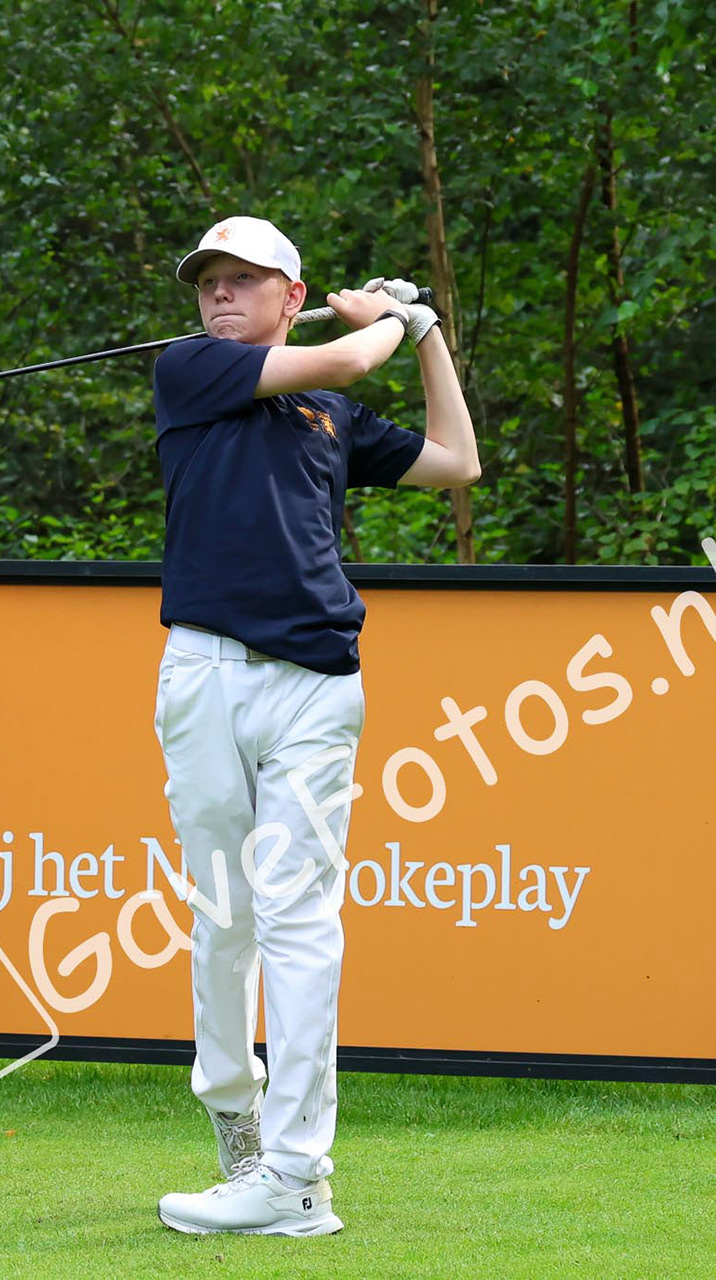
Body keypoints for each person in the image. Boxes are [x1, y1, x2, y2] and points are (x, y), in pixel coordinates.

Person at [149, 216, 478, 1234]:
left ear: (292, 292)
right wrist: (387, 318)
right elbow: (339, 352)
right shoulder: (190, 368)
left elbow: (456, 459)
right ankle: (233, 1125)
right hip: (205, 673)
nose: (220, 295)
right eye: (209, 280)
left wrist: (426, 335)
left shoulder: (329, 413)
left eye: (247, 281)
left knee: (300, 923)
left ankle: (296, 1174)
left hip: (318, 686)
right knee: (221, 918)